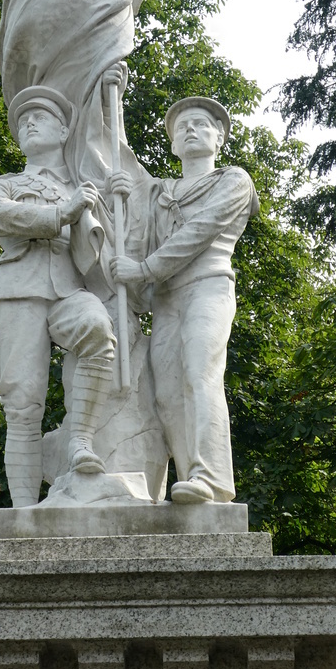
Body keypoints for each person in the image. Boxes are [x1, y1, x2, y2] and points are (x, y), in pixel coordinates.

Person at [110, 97, 259, 504]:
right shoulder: (160, 193)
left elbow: (199, 234)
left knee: (199, 373)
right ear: (173, 144)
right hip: (167, 299)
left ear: (219, 137)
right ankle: (187, 477)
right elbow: (134, 236)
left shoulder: (233, 181)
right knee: (167, 392)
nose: (190, 130)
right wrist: (118, 194)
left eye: (200, 123)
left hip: (208, 285)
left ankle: (210, 478)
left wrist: (144, 270)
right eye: (182, 127)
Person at [0, 86, 117, 508]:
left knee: (97, 330)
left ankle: (79, 441)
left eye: (39, 117)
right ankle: (23, 513)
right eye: (23, 121)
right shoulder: (4, 183)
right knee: (22, 403)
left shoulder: (84, 185)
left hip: (67, 287)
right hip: (17, 288)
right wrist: (62, 213)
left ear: (63, 130)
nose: (28, 123)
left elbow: (99, 251)